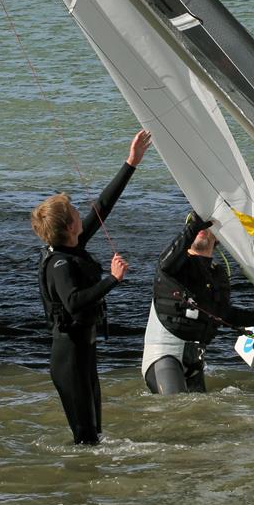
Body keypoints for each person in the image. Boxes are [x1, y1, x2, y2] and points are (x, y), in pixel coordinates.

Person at [31, 130, 152, 445]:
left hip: (84, 350)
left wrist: (131, 162)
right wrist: (111, 279)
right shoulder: (60, 264)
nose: (79, 213)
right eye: (74, 212)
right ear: (69, 226)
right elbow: (73, 302)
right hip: (68, 355)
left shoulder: (72, 244)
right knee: (85, 439)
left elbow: (102, 206)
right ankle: (78, 490)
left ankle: (90, 488)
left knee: (95, 435)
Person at [142, 210, 254, 394]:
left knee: (201, 414)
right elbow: (165, 263)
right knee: (178, 407)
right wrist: (193, 226)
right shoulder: (175, 265)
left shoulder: (218, 274)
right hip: (163, 356)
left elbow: (225, 314)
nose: (202, 230)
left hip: (194, 361)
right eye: (197, 228)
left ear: (217, 238)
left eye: (207, 228)